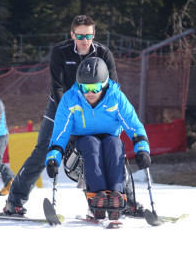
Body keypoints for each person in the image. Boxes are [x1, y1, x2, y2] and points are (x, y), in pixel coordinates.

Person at [2, 15, 120, 216]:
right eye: (80, 35)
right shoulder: (60, 51)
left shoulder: (103, 53)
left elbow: (114, 88)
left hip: (92, 110)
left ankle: (110, 202)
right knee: (43, 154)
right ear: (72, 34)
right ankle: (15, 201)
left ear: (94, 34)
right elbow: (57, 87)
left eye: (89, 35)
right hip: (60, 108)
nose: (85, 40)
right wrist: (67, 113)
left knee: (96, 154)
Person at [45, 57, 151, 220]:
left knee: (114, 143)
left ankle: (117, 196)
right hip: (80, 148)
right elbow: (61, 133)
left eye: (94, 88)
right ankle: (97, 197)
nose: (89, 93)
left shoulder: (116, 98)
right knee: (91, 143)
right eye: (85, 88)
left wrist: (142, 150)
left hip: (110, 142)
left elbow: (134, 126)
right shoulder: (70, 99)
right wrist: (53, 158)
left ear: (104, 83)